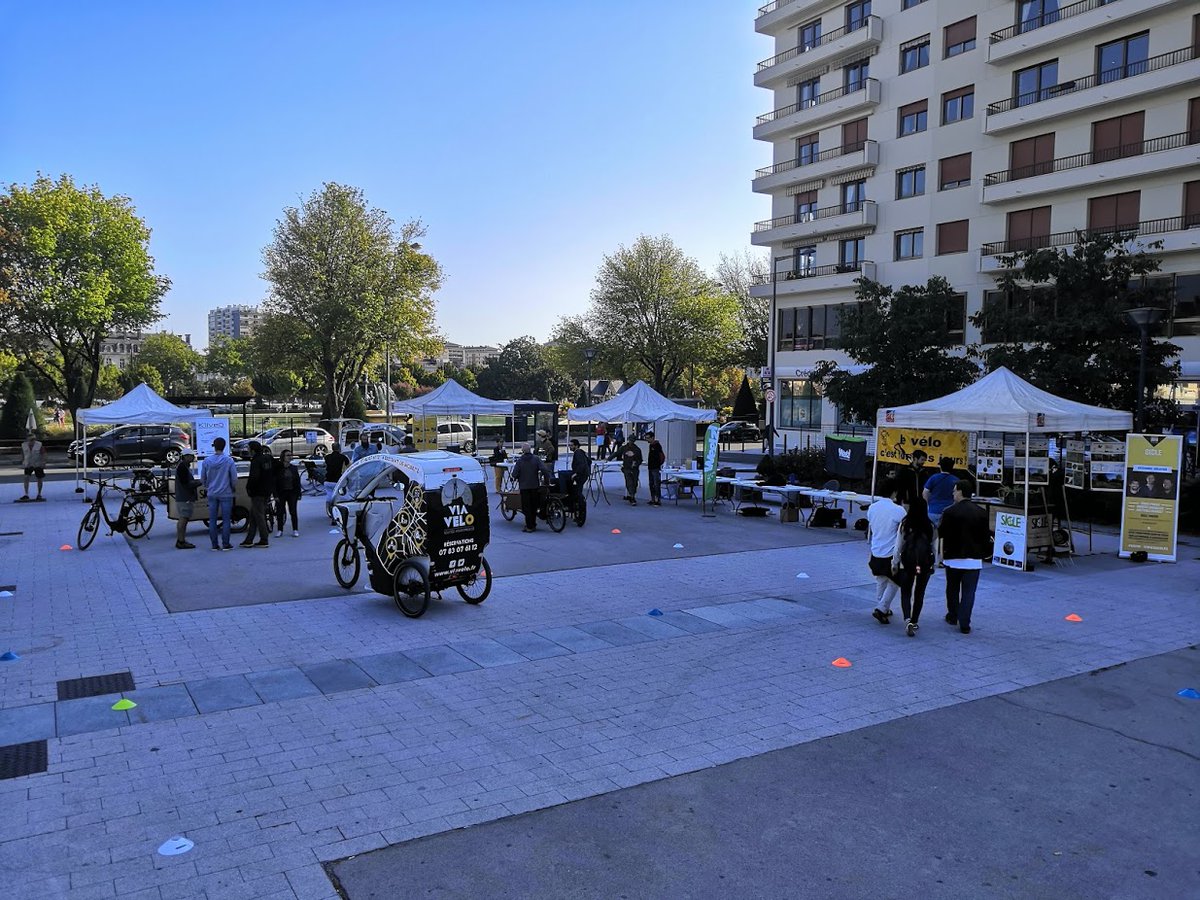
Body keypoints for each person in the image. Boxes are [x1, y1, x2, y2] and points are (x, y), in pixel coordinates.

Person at [939, 479, 991, 635]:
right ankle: (965, 622)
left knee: (952, 588)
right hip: (973, 559)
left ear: (960, 491)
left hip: (953, 556)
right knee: (969, 592)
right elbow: (985, 537)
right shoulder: (981, 512)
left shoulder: (949, 512)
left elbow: (941, 533)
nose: (953, 493)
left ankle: (953, 615)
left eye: (954, 490)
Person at [892, 494, 935, 637]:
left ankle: (907, 619)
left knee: (906, 592)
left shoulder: (905, 524)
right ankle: (915, 620)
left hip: (907, 562)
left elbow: (898, 546)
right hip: (925, 563)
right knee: (919, 592)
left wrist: (895, 563)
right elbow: (934, 548)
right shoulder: (930, 526)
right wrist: (933, 563)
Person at [866, 478, 907, 625]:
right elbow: (904, 530)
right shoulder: (898, 510)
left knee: (881, 579)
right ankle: (882, 607)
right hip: (891, 552)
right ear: (894, 492)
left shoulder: (872, 508)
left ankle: (882, 605)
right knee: (895, 581)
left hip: (876, 549)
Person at [202, 437, 238, 551]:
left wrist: (207, 486)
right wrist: (233, 488)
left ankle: (214, 544)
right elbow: (234, 478)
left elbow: (203, 478)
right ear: (224, 446)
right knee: (226, 519)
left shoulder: (207, 461)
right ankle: (226, 544)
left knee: (212, 519)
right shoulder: (229, 460)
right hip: (226, 492)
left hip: (212, 493)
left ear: (214, 446)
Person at [512, 442, 550, 533]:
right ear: (530, 449)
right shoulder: (536, 459)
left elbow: (514, 474)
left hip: (524, 487)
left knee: (526, 507)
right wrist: (546, 480)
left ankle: (529, 526)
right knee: (533, 506)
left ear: (522, 451)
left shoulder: (520, 461)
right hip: (534, 486)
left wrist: (516, 477)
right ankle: (533, 524)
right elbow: (544, 469)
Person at [242, 441, 275, 547]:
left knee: (259, 515)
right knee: (254, 515)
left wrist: (249, 488)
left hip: (257, 492)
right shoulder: (267, 458)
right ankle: (249, 539)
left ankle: (264, 539)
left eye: (248, 448)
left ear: (252, 450)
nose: (247, 450)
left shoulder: (256, 461)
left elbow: (254, 477)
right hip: (266, 490)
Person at [922, 457, 958, 528]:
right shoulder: (956, 480)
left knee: (932, 535)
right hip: (949, 512)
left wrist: (927, 505)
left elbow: (925, 492)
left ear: (940, 466)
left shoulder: (933, 478)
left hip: (933, 511)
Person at [173, 450, 199, 549]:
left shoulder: (183, 467)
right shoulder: (182, 468)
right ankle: (181, 541)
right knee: (183, 519)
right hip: (184, 497)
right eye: (191, 456)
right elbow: (186, 484)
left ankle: (181, 540)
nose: (193, 458)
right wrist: (199, 482)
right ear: (186, 456)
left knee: (183, 518)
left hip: (183, 497)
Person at [275, 449, 302, 537]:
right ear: (283, 457)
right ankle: (280, 530)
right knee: (280, 511)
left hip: (292, 492)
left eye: (291, 455)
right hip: (281, 492)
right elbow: (274, 482)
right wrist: (275, 494)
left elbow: (297, 481)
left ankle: (295, 529)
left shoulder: (293, 468)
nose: (290, 456)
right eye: (288, 455)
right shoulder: (278, 468)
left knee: (293, 511)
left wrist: (299, 493)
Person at [323, 442, 350, 524]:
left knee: (330, 497)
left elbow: (325, 467)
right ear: (339, 448)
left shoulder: (327, 457)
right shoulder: (343, 457)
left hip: (328, 481)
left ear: (332, 448)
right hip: (338, 481)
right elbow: (348, 468)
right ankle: (335, 518)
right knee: (338, 499)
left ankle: (330, 511)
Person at [19, 431, 46, 502]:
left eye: (34, 439)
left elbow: (43, 454)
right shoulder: (23, 445)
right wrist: (22, 461)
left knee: (39, 478)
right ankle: (26, 494)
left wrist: (43, 462)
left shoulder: (39, 445)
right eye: (31, 439)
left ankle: (39, 494)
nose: (32, 441)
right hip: (28, 463)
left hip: (38, 463)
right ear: (27, 440)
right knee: (26, 477)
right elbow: (22, 453)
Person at [620, 434, 643, 505]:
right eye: (630, 440)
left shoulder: (637, 449)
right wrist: (608, 459)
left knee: (635, 483)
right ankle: (632, 497)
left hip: (635, 469)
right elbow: (616, 453)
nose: (631, 442)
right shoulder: (624, 448)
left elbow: (640, 459)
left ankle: (632, 495)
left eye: (632, 440)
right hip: (626, 468)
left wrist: (636, 463)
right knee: (629, 482)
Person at [569, 438, 591, 503]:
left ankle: (581, 503)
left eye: (571, 445)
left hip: (581, 475)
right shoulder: (580, 452)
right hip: (583, 474)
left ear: (576, 446)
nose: (570, 447)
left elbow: (581, 464)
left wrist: (576, 473)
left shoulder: (578, 452)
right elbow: (589, 461)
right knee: (578, 489)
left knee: (578, 491)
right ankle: (580, 503)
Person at [646, 431, 665, 506]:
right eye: (646, 438)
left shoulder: (657, 445)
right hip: (650, 467)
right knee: (651, 483)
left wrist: (658, 464)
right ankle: (653, 498)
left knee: (656, 483)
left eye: (648, 438)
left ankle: (657, 499)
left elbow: (661, 456)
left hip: (655, 467)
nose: (647, 439)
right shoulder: (650, 445)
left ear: (652, 438)